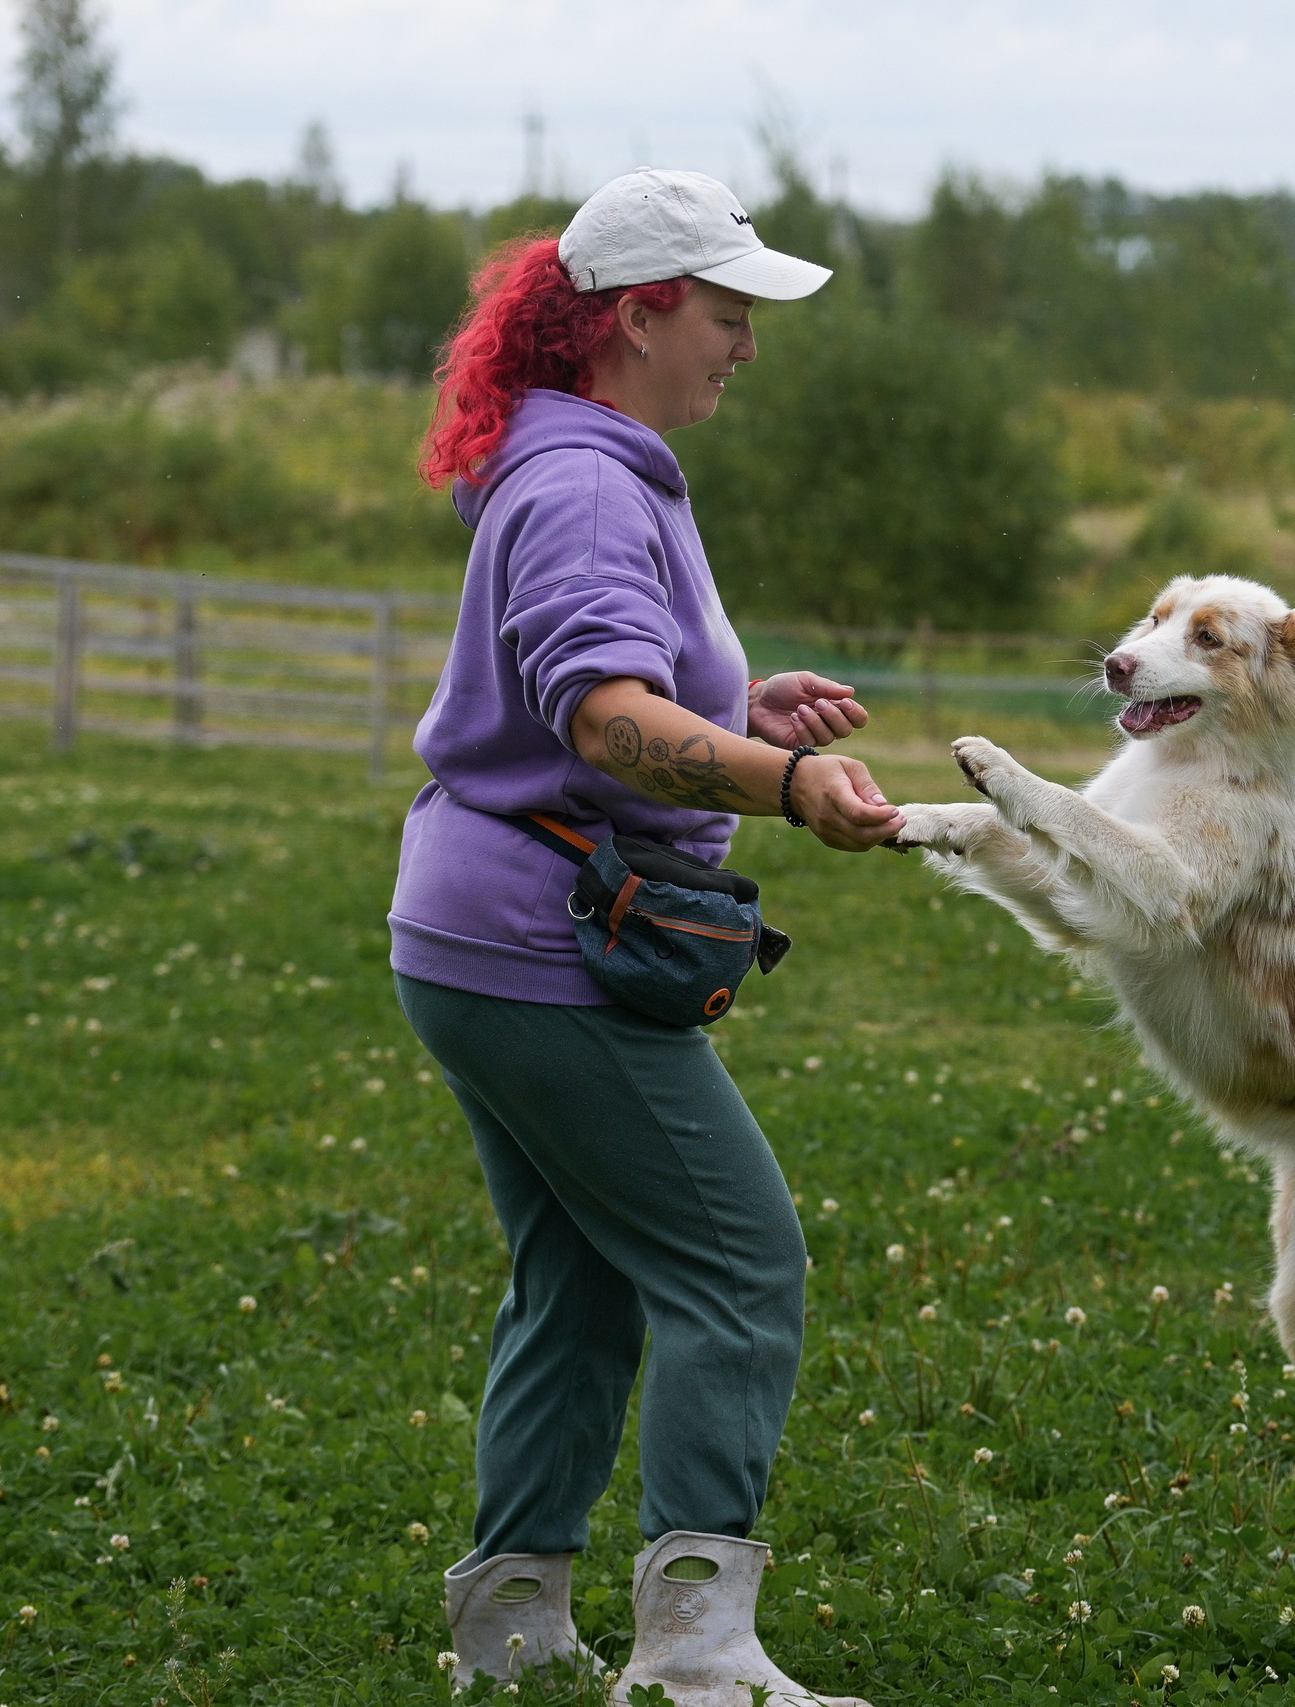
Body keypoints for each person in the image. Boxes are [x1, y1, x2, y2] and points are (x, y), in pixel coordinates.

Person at [388, 169, 901, 1707]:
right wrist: (789, 783)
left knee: (581, 1281)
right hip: (546, 941)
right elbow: (607, 724)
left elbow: (591, 700)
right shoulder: (594, 485)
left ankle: (513, 1626)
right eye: (730, 313)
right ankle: (693, 1657)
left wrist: (735, 712)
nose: (746, 344)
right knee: (739, 1268)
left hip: (476, 928)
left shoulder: (568, 463)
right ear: (639, 315)